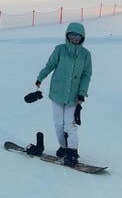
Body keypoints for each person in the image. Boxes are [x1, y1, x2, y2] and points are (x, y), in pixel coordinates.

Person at [35, 22, 92, 167]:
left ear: (82, 38)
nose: (74, 39)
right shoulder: (60, 50)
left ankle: (72, 152)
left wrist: (82, 93)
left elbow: (86, 75)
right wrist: (40, 78)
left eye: (78, 37)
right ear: (67, 36)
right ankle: (64, 147)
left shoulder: (86, 55)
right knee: (58, 123)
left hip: (74, 97)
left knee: (69, 124)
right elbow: (50, 65)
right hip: (57, 93)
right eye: (72, 36)